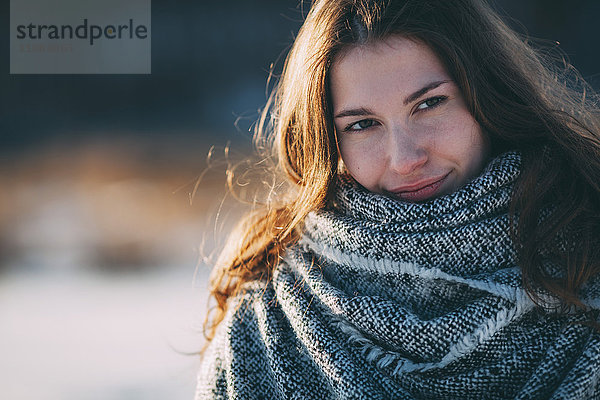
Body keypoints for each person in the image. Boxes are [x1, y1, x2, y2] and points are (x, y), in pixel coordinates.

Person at [196, 0, 600, 398]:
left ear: (488, 93)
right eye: (363, 124)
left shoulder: (589, 248)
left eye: (429, 103)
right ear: (328, 140)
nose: (406, 159)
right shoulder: (265, 328)